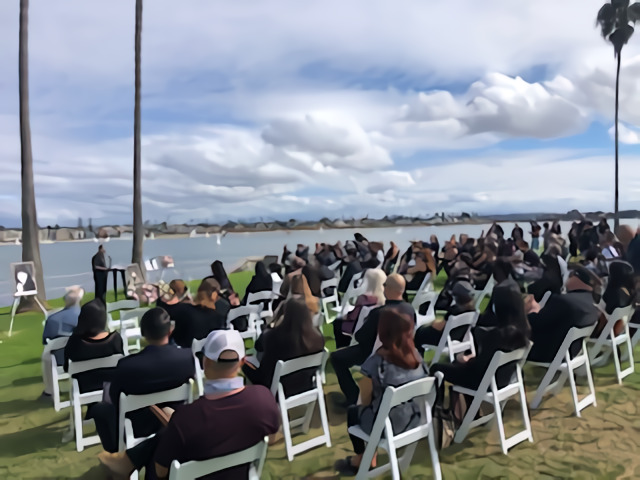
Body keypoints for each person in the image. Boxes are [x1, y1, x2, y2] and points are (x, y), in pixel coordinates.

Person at [97, 329, 280, 480]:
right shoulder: (264, 398)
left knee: (163, 445)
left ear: (205, 363)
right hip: (239, 474)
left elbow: (161, 471)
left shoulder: (188, 417)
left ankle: (127, 462)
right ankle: (127, 461)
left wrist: (176, 428)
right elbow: (271, 438)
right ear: (242, 362)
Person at [335, 308, 429, 475]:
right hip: (415, 419)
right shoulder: (418, 359)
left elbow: (363, 400)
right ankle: (370, 455)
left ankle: (363, 458)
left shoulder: (377, 362)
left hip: (387, 426)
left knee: (353, 412)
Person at [88, 308, 196, 453]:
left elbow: (115, 399)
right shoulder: (187, 357)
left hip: (138, 426)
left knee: (100, 409)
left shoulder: (127, 365)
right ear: (170, 331)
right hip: (175, 419)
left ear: (143, 334)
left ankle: (115, 454)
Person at [330, 274, 415, 406]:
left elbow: (361, 337)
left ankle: (352, 396)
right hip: (400, 352)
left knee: (336, 358)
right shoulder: (410, 310)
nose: (383, 287)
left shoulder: (380, 313)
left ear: (389, 289)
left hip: (374, 354)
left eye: (385, 285)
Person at [432, 287, 531, 390]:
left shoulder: (496, 335)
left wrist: (466, 361)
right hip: (504, 379)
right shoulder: (524, 332)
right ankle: (463, 404)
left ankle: (437, 403)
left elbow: (478, 368)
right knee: (457, 365)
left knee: (437, 368)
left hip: (484, 382)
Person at [243, 298, 325, 396]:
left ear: (285, 314)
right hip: (305, 385)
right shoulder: (317, 338)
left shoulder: (273, 336)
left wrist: (272, 325)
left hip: (277, 388)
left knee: (244, 363)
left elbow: (258, 347)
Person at [526, 266, 600, 362]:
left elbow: (535, 323)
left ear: (577, 279)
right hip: (571, 353)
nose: (567, 279)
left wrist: (532, 309)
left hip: (545, 352)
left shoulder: (564, 301)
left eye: (570, 276)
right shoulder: (592, 303)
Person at [63, 299, 124, 393]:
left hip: (85, 387)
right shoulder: (115, 339)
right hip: (112, 385)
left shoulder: (75, 342)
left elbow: (67, 368)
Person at [41, 286, 84, 397]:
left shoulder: (53, 319)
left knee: (47, 354)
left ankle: (50, 391)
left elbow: (46, 340)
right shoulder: (86, 316)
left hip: (61, 360)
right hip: (83, 356)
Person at [414, 280, 476, 353]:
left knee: (419, 332)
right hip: (458, 337)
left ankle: (418, 358)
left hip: (445, 339)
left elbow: (439, 327)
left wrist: (431, 323)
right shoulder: (473, 311)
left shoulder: (455, 310)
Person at [333, 269, 386, 348]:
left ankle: (339, 347)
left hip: (353, 329)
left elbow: (351, 317)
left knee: (336, 322)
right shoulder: (383, 299)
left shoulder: (363, 298)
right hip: (369, 331)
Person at [167, 278, 227, 348]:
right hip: (205, 354)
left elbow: (163, 313)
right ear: (214, 296)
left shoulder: (183, 309)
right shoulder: (219, 319)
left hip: (179, 352)